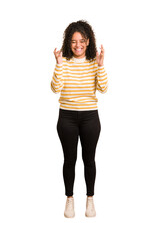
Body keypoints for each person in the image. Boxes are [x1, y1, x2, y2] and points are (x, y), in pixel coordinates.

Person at [51, 20, 108, 218]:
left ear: (88, 41)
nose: (78, 45)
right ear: (69, 42)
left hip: (90, 117)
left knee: (89, 159)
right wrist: (58, 64)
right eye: (74, 41)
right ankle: (69, 200)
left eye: (82, 41)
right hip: (66, 116)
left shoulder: (94, 61)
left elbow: (103, 88)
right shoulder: (64, 61)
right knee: (69, 159)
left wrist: (100, 65)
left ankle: (90, 200)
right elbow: (55, 88)